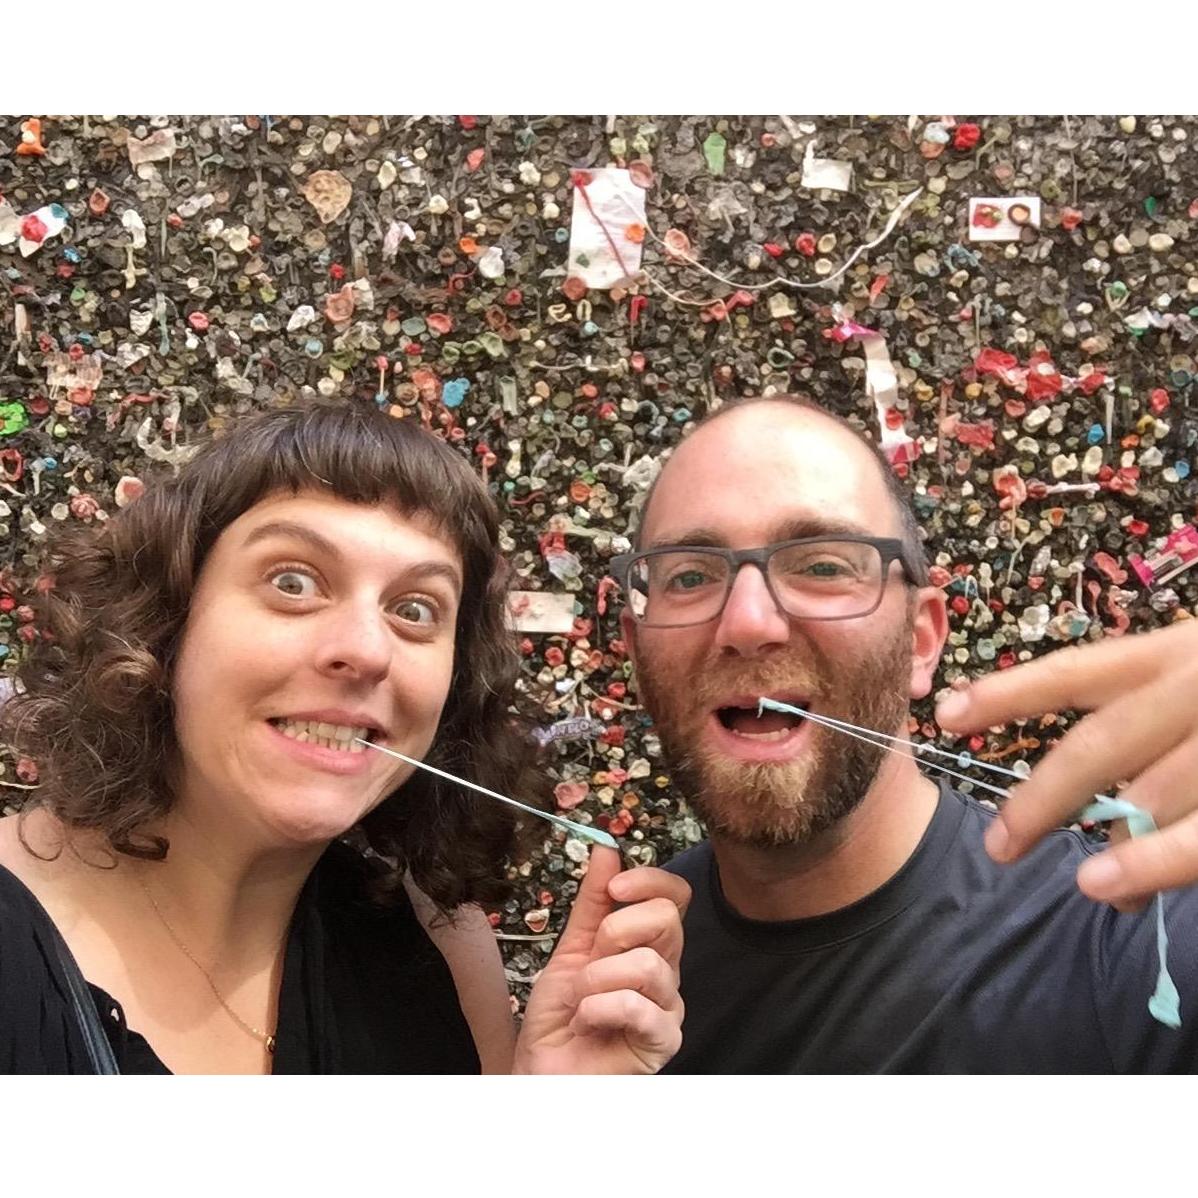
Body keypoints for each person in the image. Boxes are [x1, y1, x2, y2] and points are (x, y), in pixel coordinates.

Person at [0, 401, 688, 1075]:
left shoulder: (443, 945)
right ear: (167, 622)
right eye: (293, 582)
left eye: (415, 610)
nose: (366, 651)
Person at [612, 392, 1198, 1072]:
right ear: (636, 651)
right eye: (690, 575)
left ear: (922, 640)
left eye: (823, 566)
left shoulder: (1127, 941)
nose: (748, 622)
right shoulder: (619, 987)